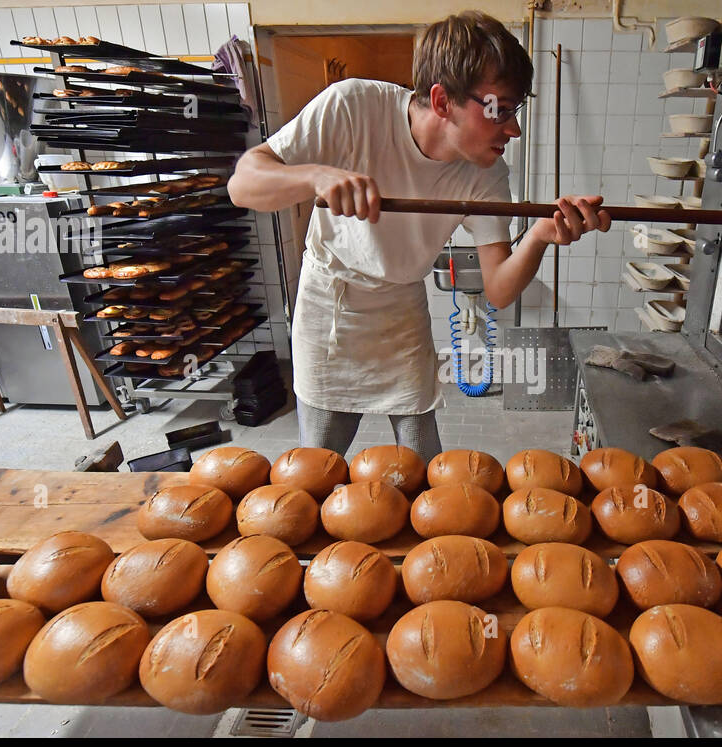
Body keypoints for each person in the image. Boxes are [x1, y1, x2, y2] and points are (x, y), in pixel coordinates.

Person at [228, 10, 610, 461]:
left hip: (400, 311)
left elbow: (500, 289)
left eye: (515, 110)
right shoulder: (353, 107)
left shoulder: (484, 175)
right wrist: (314, 177)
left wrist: (540, 236)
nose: (514, 128)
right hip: (330, 307)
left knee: (424, 464)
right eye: (500, 109)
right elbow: (243, 184)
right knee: (316, 466)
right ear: (443, 100)